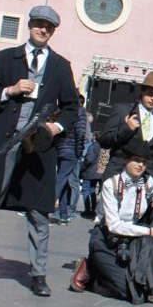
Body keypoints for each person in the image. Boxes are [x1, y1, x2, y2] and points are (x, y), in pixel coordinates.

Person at [0, 5, 80, 297]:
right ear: (30, 25)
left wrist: (56, 128)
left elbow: (72, 106)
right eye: (38, 24)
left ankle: (38, 275)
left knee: (38, 213)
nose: (43, 29)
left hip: (38, 149)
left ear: (53, 31)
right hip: (1, 144)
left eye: (49, 26)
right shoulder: (7, 57)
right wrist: (10, 90)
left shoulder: (60, 65)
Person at [70, 141, 153, 303]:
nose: (140, 165)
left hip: (130, 239)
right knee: (127, 291)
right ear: (126, 161)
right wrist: (149, 231)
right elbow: (114, 225)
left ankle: (103, 272)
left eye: (144, 162)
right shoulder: (111, 185)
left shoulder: (148, 183)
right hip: (105, 238)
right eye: (136, 160)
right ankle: (89, 266)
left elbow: (152, 202)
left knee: (142, 290)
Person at [99, 71, 153, 188]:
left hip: (144, 182)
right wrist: (126, 129)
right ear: (142, 92)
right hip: (118, 175)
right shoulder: (123, 110)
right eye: (150, 93)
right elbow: (104, 140)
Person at [53, 95, 88, 225]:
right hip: (71, 150)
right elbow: (80, 132)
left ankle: (63, 215)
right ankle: (45, 208)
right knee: (62, 179)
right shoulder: (80, 111)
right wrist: (79, 152)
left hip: (59, 148)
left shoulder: (62, 109)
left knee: (64, 181)